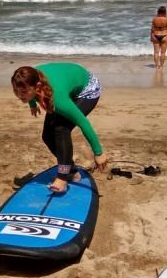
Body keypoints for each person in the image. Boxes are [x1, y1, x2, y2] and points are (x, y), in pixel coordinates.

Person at [11, 63, 108, 193]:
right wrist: (32, 103)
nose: (19, 96)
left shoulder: (57, 99)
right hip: (66, 85)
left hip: (87, 89)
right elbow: (27, 88)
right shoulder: (31, 79)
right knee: (47, 136)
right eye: (16, 91)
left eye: (23, 92)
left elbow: (83, 122)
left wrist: (98, 152)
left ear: (38, 86)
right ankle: (72, 170)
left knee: (61, 129)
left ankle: (63, 176)